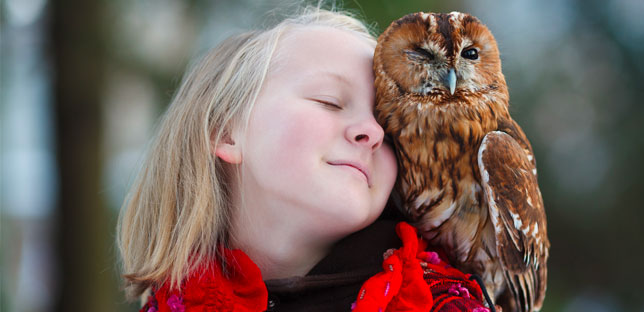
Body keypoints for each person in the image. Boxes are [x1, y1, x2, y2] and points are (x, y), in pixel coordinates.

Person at [117, 7, 490, 312]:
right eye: (330, 102)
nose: (374, 133)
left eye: (388, 124)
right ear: (225, 132)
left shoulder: (444, 303)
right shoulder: (171, 305)